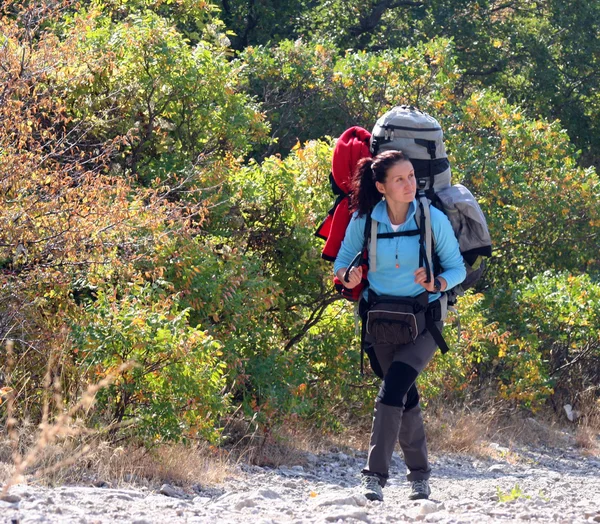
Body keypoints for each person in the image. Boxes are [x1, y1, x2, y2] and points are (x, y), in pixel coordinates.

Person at [333, 150, 466, 502]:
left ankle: (373, 477)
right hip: (380, 324)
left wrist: (436, 283)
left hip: (424, 324)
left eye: (411, 176)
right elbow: (341, 266)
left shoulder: (430, 218)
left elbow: (458, 269)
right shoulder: (364, 221)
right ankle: (420, 478)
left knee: (392, 390)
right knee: (404, 397)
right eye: (400, 179)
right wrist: (349, 277)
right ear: (381, 187)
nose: (410, 184)